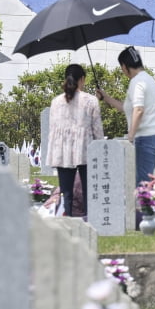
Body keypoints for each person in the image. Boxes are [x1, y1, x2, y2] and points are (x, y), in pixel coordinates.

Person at [96, 46, 155, 190]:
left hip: (147, 139)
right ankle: (149, 209)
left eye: (121, 67)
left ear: (124, 66)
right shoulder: (148, 78)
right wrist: (106, 97)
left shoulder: (137, 82)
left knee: (143, 186)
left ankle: (143, 212)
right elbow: (126, 108)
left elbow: (138, 109)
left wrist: (130, 135)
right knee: (147, 183)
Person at [46, 64, 103, 217]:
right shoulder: (91, 101)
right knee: (89, 191)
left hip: (62, 150)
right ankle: (91, 222)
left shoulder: (56, 101)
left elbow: (53, 129)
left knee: (66, 193)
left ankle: (67, 222)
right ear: (82, 79)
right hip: (86, 149)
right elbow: (97, 131)